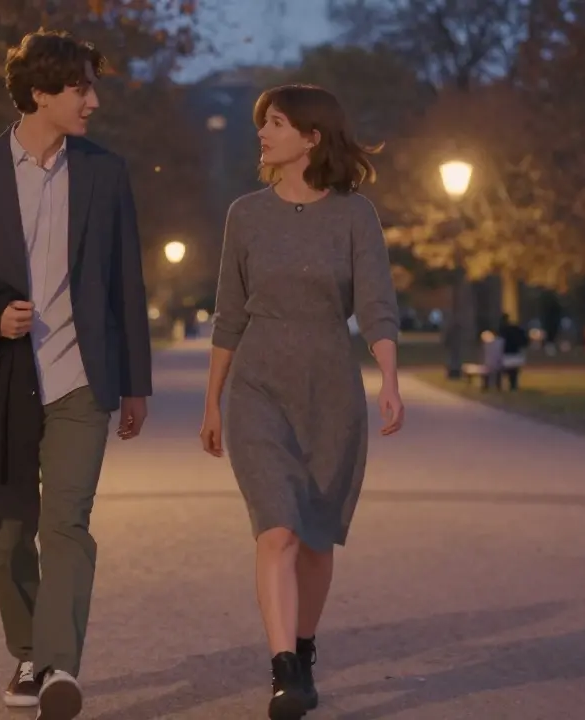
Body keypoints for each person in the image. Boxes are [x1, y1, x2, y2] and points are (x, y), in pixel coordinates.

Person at [0, 30, 153, 720]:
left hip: (82, 381)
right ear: (40, 93)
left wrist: (134, 382)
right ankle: (29, 650)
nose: (94, 101)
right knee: (10, 532)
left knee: (67, 523)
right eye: (81, 87)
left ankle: (57, 669)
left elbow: (124, 285)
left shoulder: (106, 174)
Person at [199, 84, 404, 720]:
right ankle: (284, 668)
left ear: (311, 137)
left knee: (315, 538)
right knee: (279, 529)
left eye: (277, 123)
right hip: (258, 389)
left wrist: (390, 379)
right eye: (264, 124)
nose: (263, 133)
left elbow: (375, 303)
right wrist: (213, 401)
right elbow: (230, 314)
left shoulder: (354, 215)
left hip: (330, 393)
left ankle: (305, 649)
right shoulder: (245, 215)